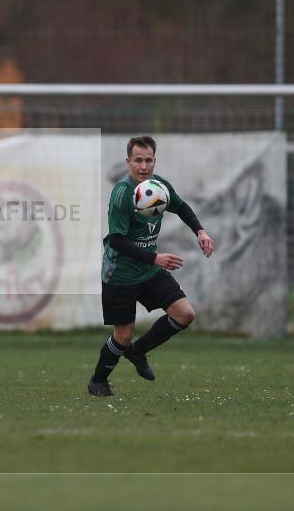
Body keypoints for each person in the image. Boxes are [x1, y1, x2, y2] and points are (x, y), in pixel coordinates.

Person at [88, 135, 214, 397]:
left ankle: (139, 351)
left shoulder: (159, 187)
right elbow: (118, 241)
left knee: (185, 314)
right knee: (122, 335)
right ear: (128, 162)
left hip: (147, 270)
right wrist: (155, 258)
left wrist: (200, 232)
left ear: (154, 161)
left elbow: (181, 207)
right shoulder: (122, 195)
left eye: (148, 160)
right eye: (138, 161)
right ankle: (98, 381)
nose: (143, 166)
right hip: (120, 274)